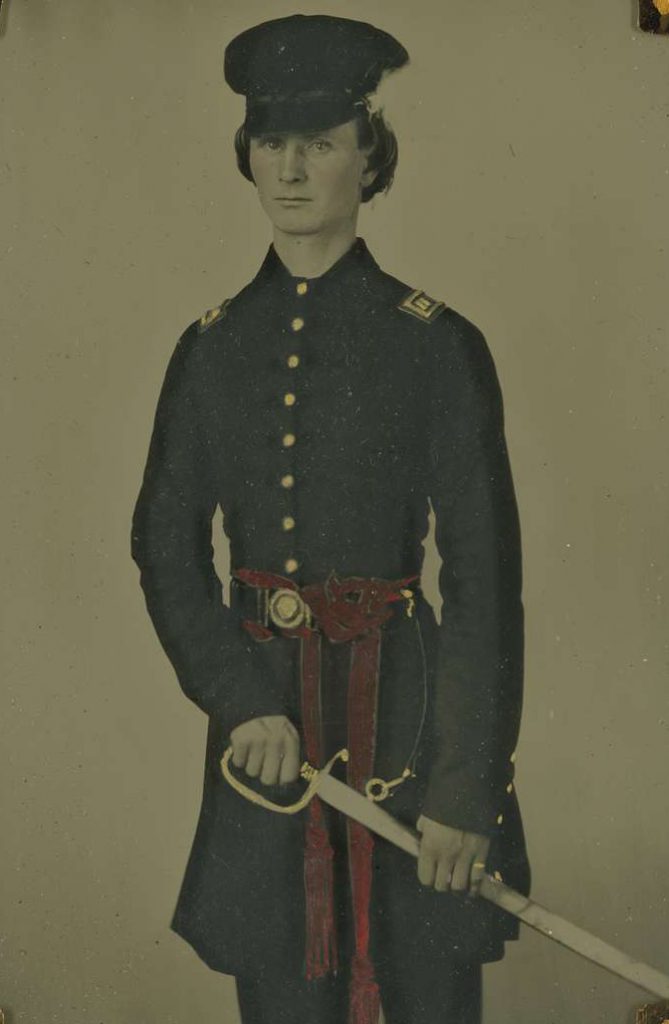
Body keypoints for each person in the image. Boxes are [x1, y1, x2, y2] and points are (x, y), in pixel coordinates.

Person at [131, 14, 530, 1024]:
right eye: (272, 142)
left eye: (319, 142)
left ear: (369, 156)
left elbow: (483, 578)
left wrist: (463, 791)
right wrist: (238, 701)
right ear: (247, 155)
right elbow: (163, 546)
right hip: (268, 745)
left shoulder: (437, 345)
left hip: (410, 732)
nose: (292, 169)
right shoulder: (211, 348)